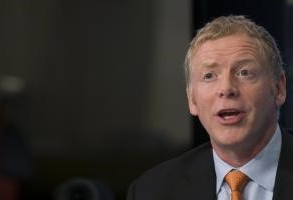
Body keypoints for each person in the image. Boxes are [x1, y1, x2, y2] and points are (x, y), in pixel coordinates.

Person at [126, 15, 293, 200]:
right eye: (209, 76)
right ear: (192, 100)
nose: (226, 88)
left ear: (279, 89)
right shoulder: (150, 191)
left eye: (244, 72)